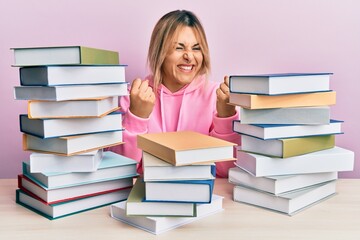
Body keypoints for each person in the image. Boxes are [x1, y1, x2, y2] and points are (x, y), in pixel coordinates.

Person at [109, 10, 241, 178]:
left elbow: (226, 171)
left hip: (203, 195)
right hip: (148, 196)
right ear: (160, 52)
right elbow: (121, 171)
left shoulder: (216, 96)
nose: (189, 56)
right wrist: (137, 117)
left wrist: (226, 116)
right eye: (179, 48)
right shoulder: (134, 96)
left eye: (196, 48)